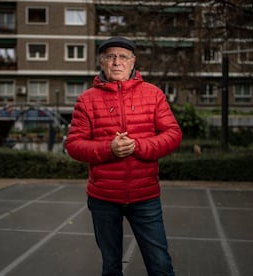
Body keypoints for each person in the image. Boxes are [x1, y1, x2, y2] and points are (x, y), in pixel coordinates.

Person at [65, 36, 182, 276]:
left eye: (123, 57)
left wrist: (138, 145)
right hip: (103, 198)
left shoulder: (153, 94)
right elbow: (74, 145)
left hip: (145, 196)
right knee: (111, 267)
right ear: (102, 61)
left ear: (132, 62)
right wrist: (109, 149)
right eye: (110, 56)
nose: (117, 62)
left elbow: (173, 134)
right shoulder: (86, 101)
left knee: (160, 265)